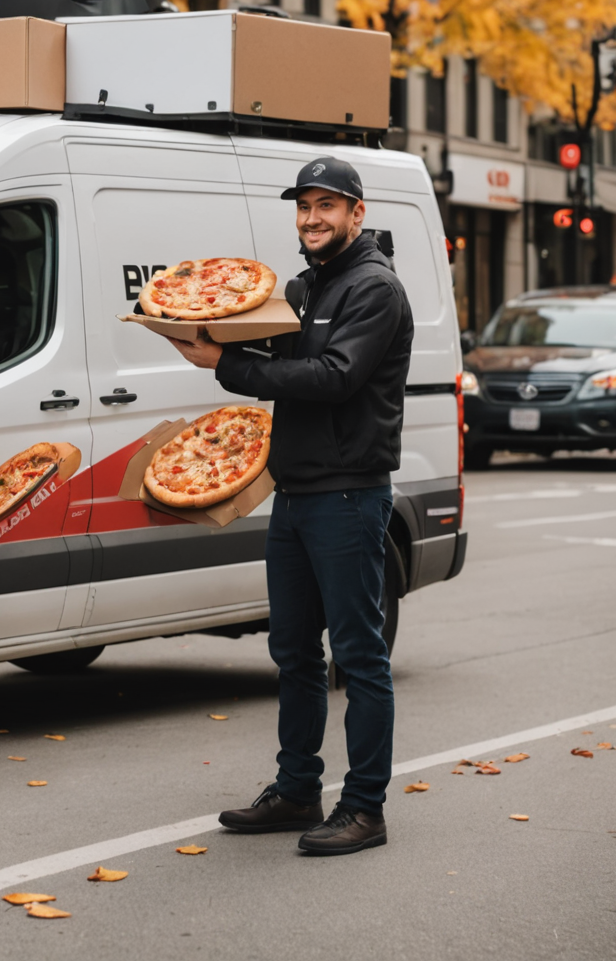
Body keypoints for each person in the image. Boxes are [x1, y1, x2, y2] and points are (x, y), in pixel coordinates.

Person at [166, 156, 413, 856]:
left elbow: (332, 378)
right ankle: (298, 788)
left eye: (327, 205)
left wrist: (226, 366)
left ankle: (365, 808)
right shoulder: (302, 287)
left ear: (356, 214)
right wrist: (203, 327)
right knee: (293, 652)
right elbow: (272, 353)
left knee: (359, 656)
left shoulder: (375, 289)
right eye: (304, 206)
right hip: (296, 491)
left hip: (349, 492)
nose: (312, 218)